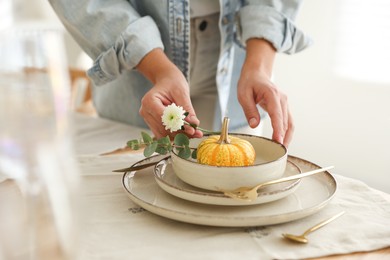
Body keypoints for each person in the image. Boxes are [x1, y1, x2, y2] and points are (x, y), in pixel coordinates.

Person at [49, 0, 310, 147]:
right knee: (132, 198)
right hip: (136, 66)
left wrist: (259, 67)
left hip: (238, 56)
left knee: (236, 202)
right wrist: (156, 66)